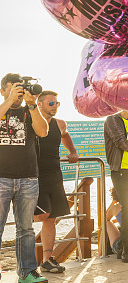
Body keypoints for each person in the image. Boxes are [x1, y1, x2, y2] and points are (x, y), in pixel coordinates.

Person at [0, 73, 49, 283]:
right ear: (2, 90)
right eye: (13, 88)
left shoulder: (29, 111)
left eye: (20, 89)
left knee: (26, 229)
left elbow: (43, 132)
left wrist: (32, 105)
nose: (18, 93)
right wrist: (9, 100)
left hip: (28, 178)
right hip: (1, 178)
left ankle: (27, 272)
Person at [33, 90, 78, 273]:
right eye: (51, 103)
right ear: (39, 104)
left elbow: (65, 135)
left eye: (57, 103)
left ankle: (47, 260)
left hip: (55, 176)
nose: (55, 106)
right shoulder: (31, 122)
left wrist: (73, 151)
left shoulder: (60, 124)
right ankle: (27, 260)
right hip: (34, 176)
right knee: (42, 215)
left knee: (51, 218)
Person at [103, 111, 128, 263]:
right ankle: (127, 248)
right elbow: (122, 143)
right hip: (120, 171)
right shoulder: (112, 120)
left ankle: (124, 247)